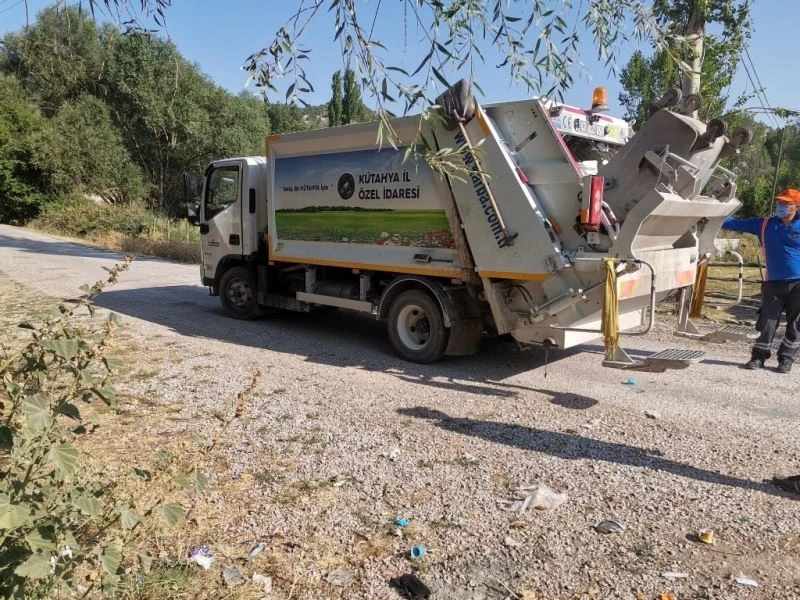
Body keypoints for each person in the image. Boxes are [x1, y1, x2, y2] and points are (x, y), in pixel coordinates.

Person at [720, 188, 800, 374]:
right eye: (779, 202)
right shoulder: (764, 224)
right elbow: (733, 224)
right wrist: (712, 214)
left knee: (796, 324)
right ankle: (758, 357)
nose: (781, 206)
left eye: (786, 203)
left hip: (798, 284)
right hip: (773, 283)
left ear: (796, 206)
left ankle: (786, 359)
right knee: (767, 321)